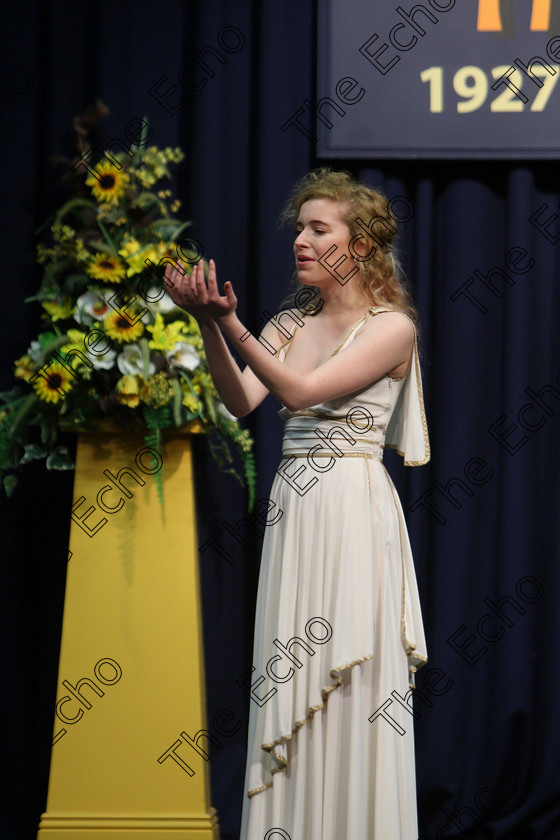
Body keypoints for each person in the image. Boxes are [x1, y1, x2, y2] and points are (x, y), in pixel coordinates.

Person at [165, 168, 430, 840]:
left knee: (351, 677)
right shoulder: (289, 321)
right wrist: (207, 325)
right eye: (300, 228)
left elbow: (302, 394)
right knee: (294, 670)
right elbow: (240, 400)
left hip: (350, 506)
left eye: (320, 229)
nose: (301, 241)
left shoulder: (392, 327)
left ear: (361, 245)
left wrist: (231, 322)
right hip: (297, 509)